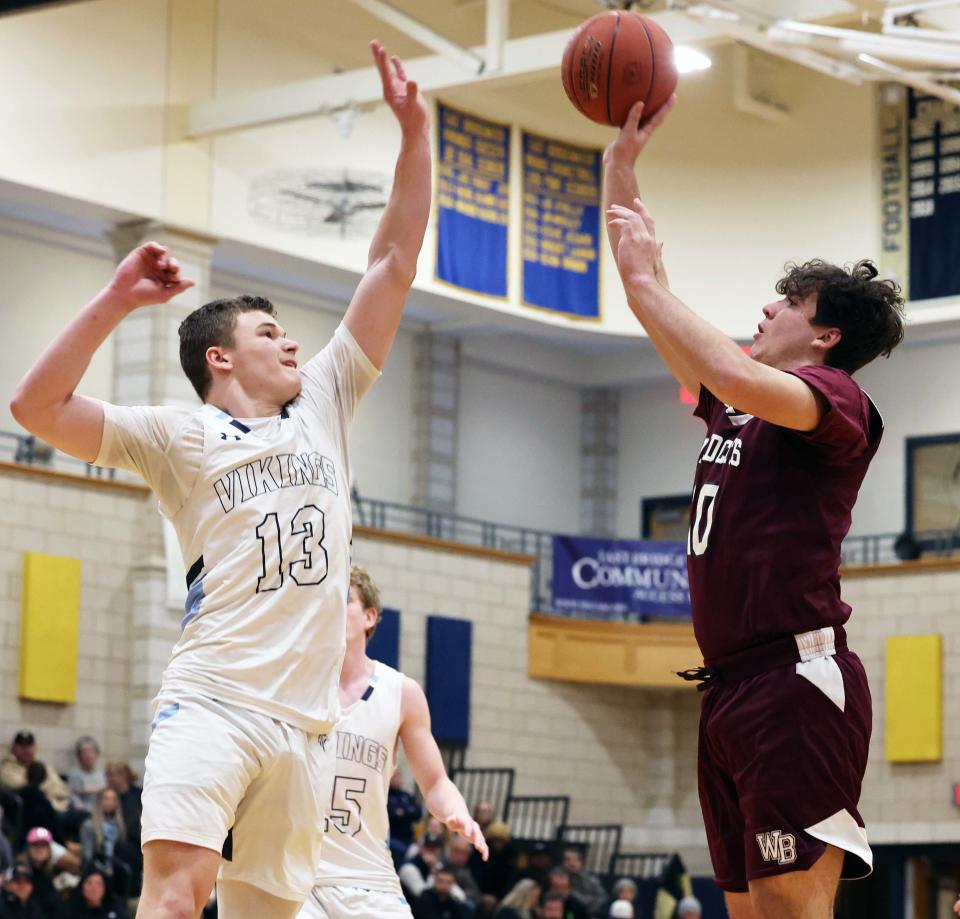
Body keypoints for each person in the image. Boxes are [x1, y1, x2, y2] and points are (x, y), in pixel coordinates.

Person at [10, 39, 431, 919]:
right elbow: (36, 406)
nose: (290, 341)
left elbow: (392, 265)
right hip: (213, 702)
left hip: (306, 728)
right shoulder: (181, 434)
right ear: (220, 356)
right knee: (173, 897)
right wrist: (118, 299)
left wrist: (413, 135)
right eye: (270, 330)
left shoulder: (324, 398)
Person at [603, 100, 906, 919]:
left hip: (795, 684)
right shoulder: (740, 408)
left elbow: (724, 366)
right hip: (728, 690)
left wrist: (644, 282)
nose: (767, 309)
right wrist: (620, 175)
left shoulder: (834, 402)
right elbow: (658, 308)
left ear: (826, 337)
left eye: (789, 302)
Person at [298, 565, 487, 919]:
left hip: (369, 875)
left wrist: (456, 812)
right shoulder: (291, 681)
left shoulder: (401, 692)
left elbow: (435, 782)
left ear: (370, 616)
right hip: (297, 874)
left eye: (346, 599)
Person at [0, 733, 70, 814]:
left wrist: (58, 804)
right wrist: (49, 789)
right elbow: (28, 788)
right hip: (26, 812)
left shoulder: (43, 767)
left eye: (29, 746)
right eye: (22, 746)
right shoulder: (7, 769)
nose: (26, 750)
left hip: (57, 809)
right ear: (14, 748)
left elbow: (61, 789)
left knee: (83, 818)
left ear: (35, 748)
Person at [62, 866, 129, 919]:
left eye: (99, 884)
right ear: (82, 886)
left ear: (105, 888)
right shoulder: (69, 910)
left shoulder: (116, 910)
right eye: (89, 883)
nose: (93, 888)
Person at [388, 771, 422, 868]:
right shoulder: (385, 795)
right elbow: (391, 815)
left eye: (397, 776)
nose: (395, 779)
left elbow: (418, 813)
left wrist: (402, 813)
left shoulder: (406, 796)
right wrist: (407, 812)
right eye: (393, 776)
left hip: (409, 839)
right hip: (392, 838)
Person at [561, 848, 606, 918]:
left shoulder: (591, 880)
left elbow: (601, 898)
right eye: (568, 860)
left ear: (581, 862)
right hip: (567, 914)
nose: (571, 863)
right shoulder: (557, 878)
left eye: (575, 860)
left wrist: (585, 910)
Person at [67, 740, 107, 816]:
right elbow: (73, 796)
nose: (88, 756)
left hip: (102, 811)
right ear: (79, 757)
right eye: (84, 752)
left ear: (97, 755)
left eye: (91, 752)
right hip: (83, 813)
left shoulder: (102, 775)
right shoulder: (74, 774)